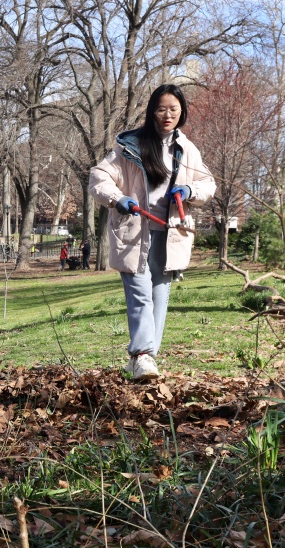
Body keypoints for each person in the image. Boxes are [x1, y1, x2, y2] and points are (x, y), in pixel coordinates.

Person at [89, 83, 215, 382]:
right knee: (140, 293)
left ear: (181, 111)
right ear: (151, 111)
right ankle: (143, 354)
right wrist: (118, 199)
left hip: (170, 233)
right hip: (134, 230)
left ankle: (145, 359)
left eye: (174, 109)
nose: (167, 115)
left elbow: (208, 184)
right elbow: (99, 176)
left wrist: (189, 189)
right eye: (161, 109)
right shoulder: (130, 145)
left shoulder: (187, 149)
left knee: (160, 295)